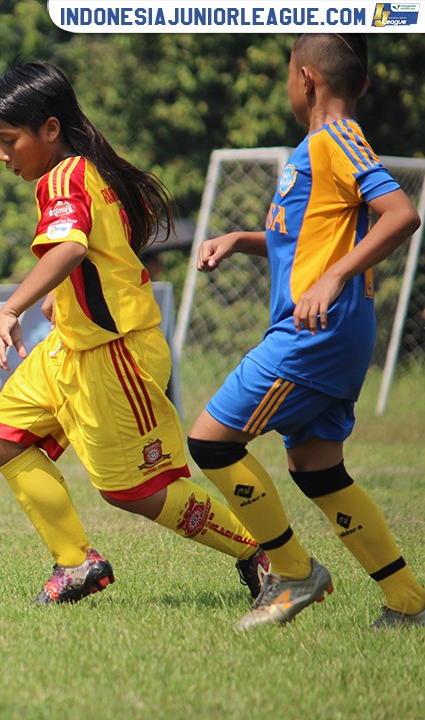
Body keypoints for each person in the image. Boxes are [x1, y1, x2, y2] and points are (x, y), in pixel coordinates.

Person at [0, 61, 269, 607]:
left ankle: (264, 553)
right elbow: (95, 254)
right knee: (1, 434)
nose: (2, 155)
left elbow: (71, 247)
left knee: (136, 490)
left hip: (115, 358)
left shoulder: (64, 177)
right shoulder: (82, 171)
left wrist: (11, 307)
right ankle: (76, 562)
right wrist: (60, 296)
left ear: (50, 129)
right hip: (72, 347)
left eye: (7, 140)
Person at [187, 34, 425, 631]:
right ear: (363, 83)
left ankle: (293, 573)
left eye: (288, 75)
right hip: (333, 333)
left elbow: (402, 214)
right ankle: (408, 603)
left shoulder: (334, 141)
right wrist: (240, 241)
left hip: (315, 332)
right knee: (319, 472)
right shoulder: (317, 151)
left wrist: (336, 276)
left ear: (307, 79)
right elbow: (304, 240)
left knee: (212, 442)